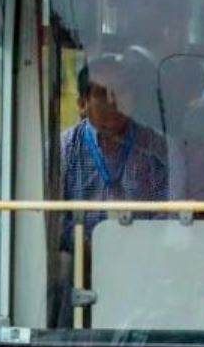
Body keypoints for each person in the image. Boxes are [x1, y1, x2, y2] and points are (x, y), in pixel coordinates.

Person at [57, 54, 169, 251]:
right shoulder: (65, 148)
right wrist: (87, 246)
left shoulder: (154, 145)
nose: (113, 101)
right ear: (82, 105)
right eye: (101, 93)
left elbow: (165, 212)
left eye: (121, 91)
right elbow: (52, 218)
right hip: (80, 262)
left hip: (142, 256)